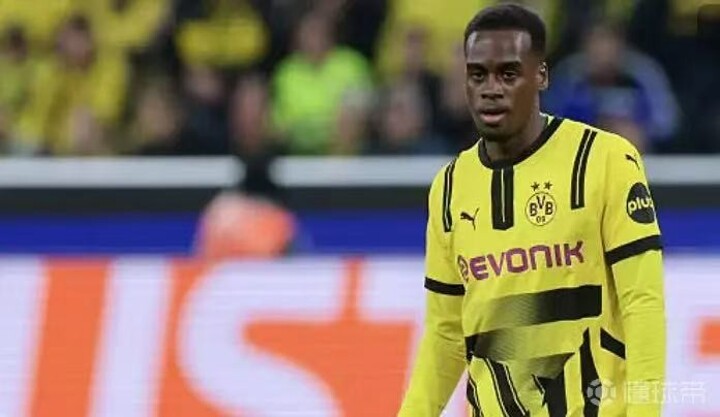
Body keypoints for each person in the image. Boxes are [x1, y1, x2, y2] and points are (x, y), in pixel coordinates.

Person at [398, 4, 666, 417]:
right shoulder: (449, 188)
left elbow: (642, 304)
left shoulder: (606, 160)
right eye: (477, 75)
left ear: (541, 75)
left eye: (508, 74)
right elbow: (446, 333)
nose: (491, 89)